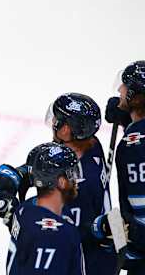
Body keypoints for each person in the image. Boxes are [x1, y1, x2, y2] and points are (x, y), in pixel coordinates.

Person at [44, 92, 118, 274]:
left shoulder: (77, 185)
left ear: (67, 130)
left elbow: (67, 233)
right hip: (104, 250)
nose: (53, 123)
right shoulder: (93, 145)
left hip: (89, 263)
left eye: (57, 120)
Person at [6, 142, 85, 275]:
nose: (76, 180)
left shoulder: (25, 209)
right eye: (72, 174)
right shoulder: (53, 235)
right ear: (61, 182)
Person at [105, 60, 145, 274]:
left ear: (135, 97)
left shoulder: (132, 146)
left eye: (125, 86)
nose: (120, 90)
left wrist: (131, 250)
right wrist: (127, 121)